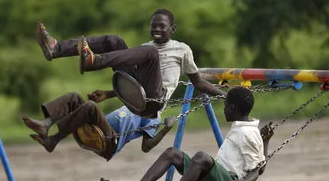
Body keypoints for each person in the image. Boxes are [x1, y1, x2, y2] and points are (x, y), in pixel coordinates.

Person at [99, 86, 274, 181]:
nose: (224, 109)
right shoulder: (243, 127)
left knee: (201, 158)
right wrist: (265, 141)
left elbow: (258, 170)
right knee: (172, 154)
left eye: (226, 105)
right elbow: (260, 164)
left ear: (233, 108)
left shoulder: (248, 134)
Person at [36, 8, 225, 118]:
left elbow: (198, 82)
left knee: (150, 53)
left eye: (162, 26)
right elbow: (135, 82)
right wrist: (109, 94)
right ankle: (57, 49)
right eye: (153, 26)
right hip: (138, 96)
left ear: (172, 29)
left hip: (154, 102)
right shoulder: (145, 47)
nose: (157, 29)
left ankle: (94, 62)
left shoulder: (181, 49)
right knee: (115, 41)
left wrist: (224, 94)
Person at [22, 92, 175, 160]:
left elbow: (146, 147)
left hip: (109, 142)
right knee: (74, 97)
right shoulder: (136, 102)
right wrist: (105, 95)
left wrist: (165, 129)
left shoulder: (153, 117)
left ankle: (53, 140)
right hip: (95, 132)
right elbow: (123, 88)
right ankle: (46, 124)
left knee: (90, 107)